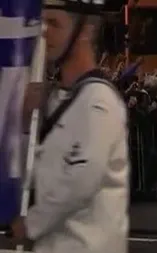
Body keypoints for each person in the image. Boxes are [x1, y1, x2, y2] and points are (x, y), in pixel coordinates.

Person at [11, 1, 129, 253]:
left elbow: (80, 179)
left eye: (54, 23)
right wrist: (25, 121)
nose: (44, 31)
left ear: (84, 31)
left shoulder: (98, 101)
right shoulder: (57, 100)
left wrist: (31, 223)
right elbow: (35, 170)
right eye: (43, 22)